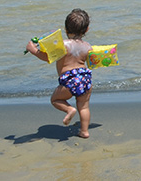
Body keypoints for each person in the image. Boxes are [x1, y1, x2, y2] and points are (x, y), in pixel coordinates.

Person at [25, 8, 93, 138]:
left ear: (66, 29)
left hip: (69, 81)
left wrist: (33, 49)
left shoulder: (63, 45)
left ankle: (69, 109)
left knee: (55, 99)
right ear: (87, 30)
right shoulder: (88, 46)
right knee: (84, 107)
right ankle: (84, 131)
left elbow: (48, 57)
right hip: (85, 79)